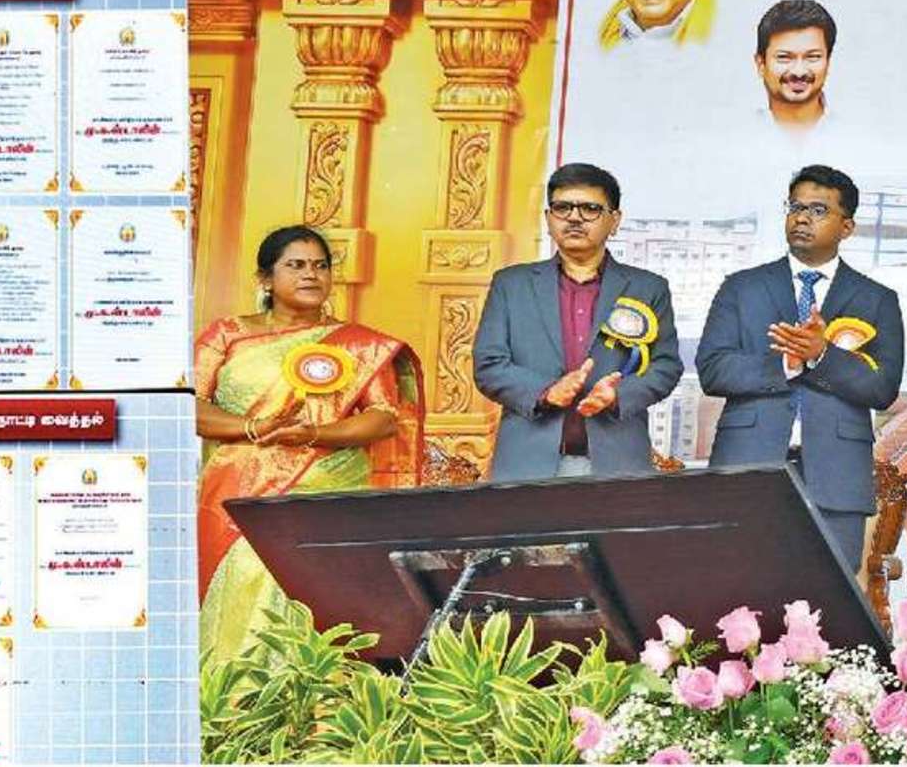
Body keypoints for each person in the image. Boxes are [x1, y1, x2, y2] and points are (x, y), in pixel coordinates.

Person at [197, 225, 426, 670]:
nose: (311, 275)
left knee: (319, 598)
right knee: (244, 580)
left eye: (320, 266)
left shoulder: (360, 344)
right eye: (296, 265)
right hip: (242, 496)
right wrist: (252, 427)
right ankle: (237, 699)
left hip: (328, 493)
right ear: (265, 278)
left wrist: (313, 434)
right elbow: (189, 407)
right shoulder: (226, 335)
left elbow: (383, 417)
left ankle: (318, 705)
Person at [698, 164, 905, 572]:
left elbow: (882, 387)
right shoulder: (742, 287)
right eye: (795, 207)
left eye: (818, 210)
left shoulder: (877, 299)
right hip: (747, 469)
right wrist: (788, 364)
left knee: (828, 600)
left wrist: (822, 356)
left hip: (837, 477)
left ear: (847, 227)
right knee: (737, 592)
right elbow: (713, 369)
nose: (802, 218)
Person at [474, 163, 685, 481]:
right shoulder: (511, 284)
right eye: (562, 208)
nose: (574, 218)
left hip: (618, 464)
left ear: (614, 220)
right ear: (548, 218)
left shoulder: (648, 288)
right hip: (526, 466)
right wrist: (546, 391)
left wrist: (618, 395)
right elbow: (488, 365)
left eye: (590, 209)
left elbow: (665, 367)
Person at [754, 0, 834, 134]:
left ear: (828, 62)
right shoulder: (734, 135)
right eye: (784, 57)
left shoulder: (855, 134)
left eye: (812, 57)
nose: (799, 72)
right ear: (761, 64)